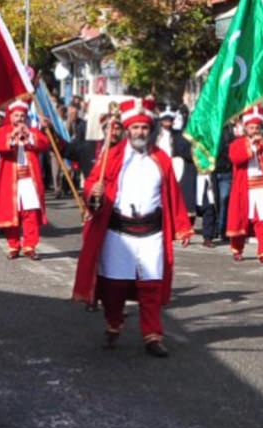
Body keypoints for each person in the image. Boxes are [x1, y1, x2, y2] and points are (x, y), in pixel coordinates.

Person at [71, 98, 192, 358]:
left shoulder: (161, 159)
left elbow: (173, 194)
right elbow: (92, 186)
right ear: (127, 129)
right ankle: (113, 323)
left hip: (152, 233)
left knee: (151, 285)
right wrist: (94, 193)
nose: (140, 132)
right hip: (119, 232)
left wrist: (182, 226)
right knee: (114, 285)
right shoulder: (112, 156)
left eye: (144, 128)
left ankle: (153, 335)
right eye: (135, 127)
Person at [0, 99, 51, 259]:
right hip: (10, 180)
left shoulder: (32, 131)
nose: (19, 119)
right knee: (11, 213)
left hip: (29, 180)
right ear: (10, 116)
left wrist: (29, 136)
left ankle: (30, 246)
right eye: (16, 115)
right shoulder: (3, 131)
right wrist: (12, 136)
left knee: (30, 213)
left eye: (22, 116)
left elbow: (44, 144)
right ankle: (13, 246)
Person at [225, 106, 263, 263]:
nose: (255, 130)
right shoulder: (237, 143)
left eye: (257, 128)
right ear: (245, 128)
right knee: (241, 219)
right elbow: (236, 158)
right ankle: (237, 248)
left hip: (260, 187)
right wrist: (251, 146)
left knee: (262, 219)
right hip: (243, 188)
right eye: (251, 128)